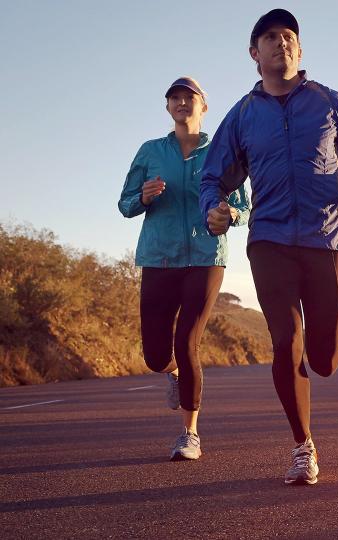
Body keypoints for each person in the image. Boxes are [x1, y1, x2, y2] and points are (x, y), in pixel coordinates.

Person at [200, 9, 338, 485]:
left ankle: (315, 368)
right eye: (269, 37)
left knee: (324, 360)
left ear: (299, 50)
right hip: (270, 241)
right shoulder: (241, 115)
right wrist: (213, 208)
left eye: (288, 37)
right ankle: (303, 446)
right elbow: (213, 177)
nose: (280, 43)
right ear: (253, 53)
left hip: (326, 240)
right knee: (286, 340)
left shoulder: (329, 102)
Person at [119, 77, 250, 461]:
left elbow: (244, 204)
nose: (181, 103)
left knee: (187, 340)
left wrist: (230, 215)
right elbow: (125, 203)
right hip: (158, 256)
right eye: (174, 98)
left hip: (206, 258)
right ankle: (173, 373)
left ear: (203, 106)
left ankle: (189, 434)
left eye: (188, 97)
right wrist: (141, 197)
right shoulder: (150, 151)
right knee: (156, 356)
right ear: (167, 107)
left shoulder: (222, 151)